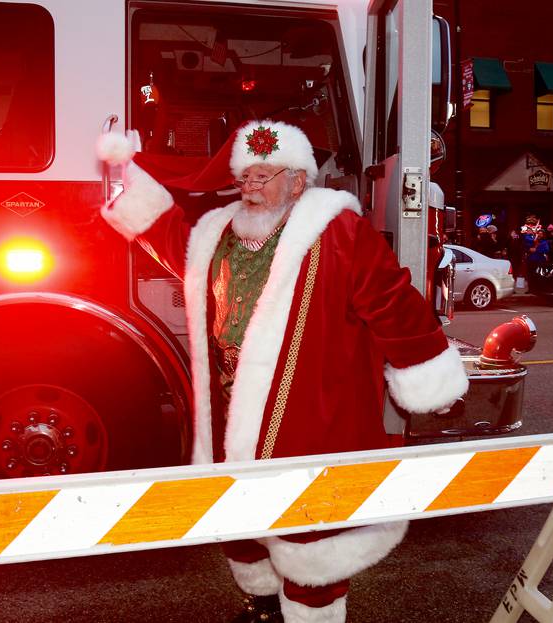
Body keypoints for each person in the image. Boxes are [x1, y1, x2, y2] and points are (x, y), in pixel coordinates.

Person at [96, 121, 468, 623]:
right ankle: (263, 606)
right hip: (230, 416)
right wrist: (125, 177)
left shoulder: (338, 234)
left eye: (264, 176)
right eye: (245, 177)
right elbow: (166, 233)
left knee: (308, 534)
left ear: (298, 182)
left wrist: (425, 369)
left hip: (310, 418)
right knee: (242, 524)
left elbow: (393, 302)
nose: (251, 187)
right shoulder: (216, 233)